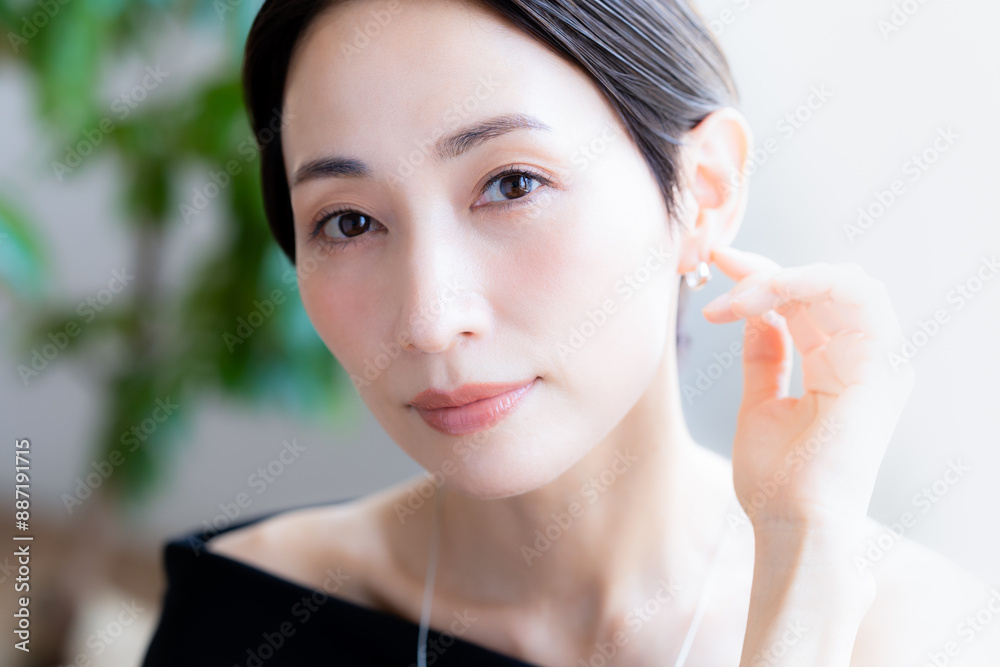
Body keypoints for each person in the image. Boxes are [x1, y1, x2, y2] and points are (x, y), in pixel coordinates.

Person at [142, 0, 1000, 665]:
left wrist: (804, 566)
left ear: (702, 192)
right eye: (350, 222)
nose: (430, 319)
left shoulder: (936, 637)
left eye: (512, 184)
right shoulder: (246, 614)